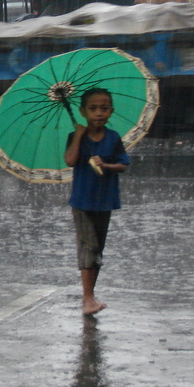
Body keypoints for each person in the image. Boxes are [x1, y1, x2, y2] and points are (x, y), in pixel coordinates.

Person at [63, 88, 130, 315]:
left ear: (111, 111)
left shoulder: (113, 138)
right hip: (82, 201)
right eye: (92, 109)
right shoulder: (75, 137)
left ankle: (90, 293)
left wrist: (106, 165)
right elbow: (70, 160)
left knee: (98, 250)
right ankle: (87, 297)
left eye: (103, 108)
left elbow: (122, 165)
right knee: (88, 246)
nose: (98, 113)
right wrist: (79, 136)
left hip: (105, 201)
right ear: (82, 112)